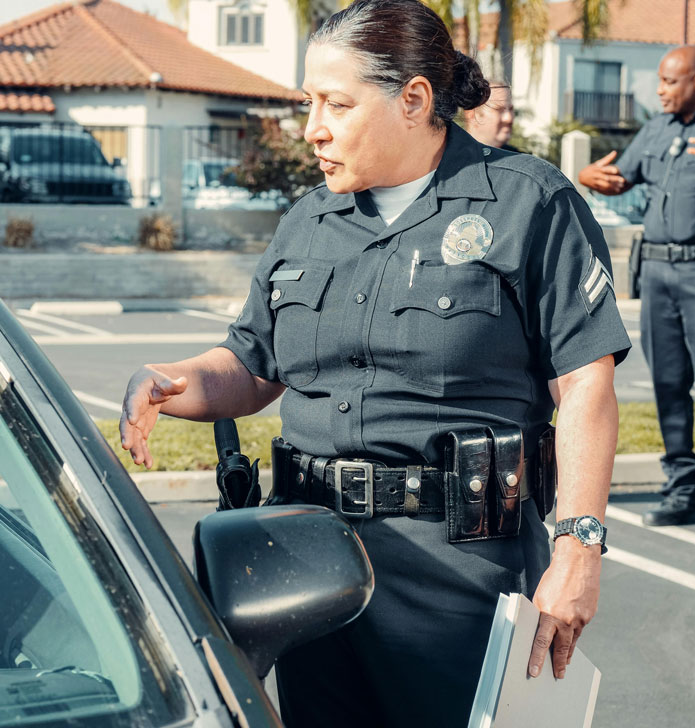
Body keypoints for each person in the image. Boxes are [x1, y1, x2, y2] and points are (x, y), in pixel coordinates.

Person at [121, 1, 630, 725]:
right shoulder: (309, 218)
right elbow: (251, 364)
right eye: (309, 103)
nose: (312, 128)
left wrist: (578, 549)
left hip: (458, 572)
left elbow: (585, 384)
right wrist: (167, 383)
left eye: (336, 103)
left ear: (414, 99)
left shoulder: (529, 204)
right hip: (305, 562)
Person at [579, 45, 695, 527]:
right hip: (657, 274)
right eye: (662, 81)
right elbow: (619, 176)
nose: (661, 89)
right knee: (669, 382)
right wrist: (590, 176)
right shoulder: (656, 129)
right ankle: (684, 488)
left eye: (672, 81)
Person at [464, 80, 518, 151]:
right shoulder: (450, 157)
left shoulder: (522, 160)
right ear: (472, 115)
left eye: (511, 109)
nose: (509, 118)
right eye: (499, 110)